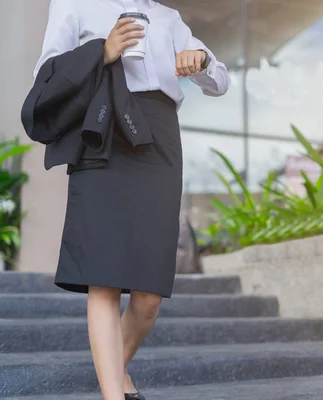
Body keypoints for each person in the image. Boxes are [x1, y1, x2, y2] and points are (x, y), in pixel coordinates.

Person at [31, 1, 230, 399]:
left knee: (149, 297)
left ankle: (114, 371)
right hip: (102, 133)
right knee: (103, 281)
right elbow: (45, 75)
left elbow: (221, 82)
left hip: (158, 141)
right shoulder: (74, 4)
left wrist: (201, 60)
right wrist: (103, 51)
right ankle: (114, 393)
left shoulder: (167, 17)